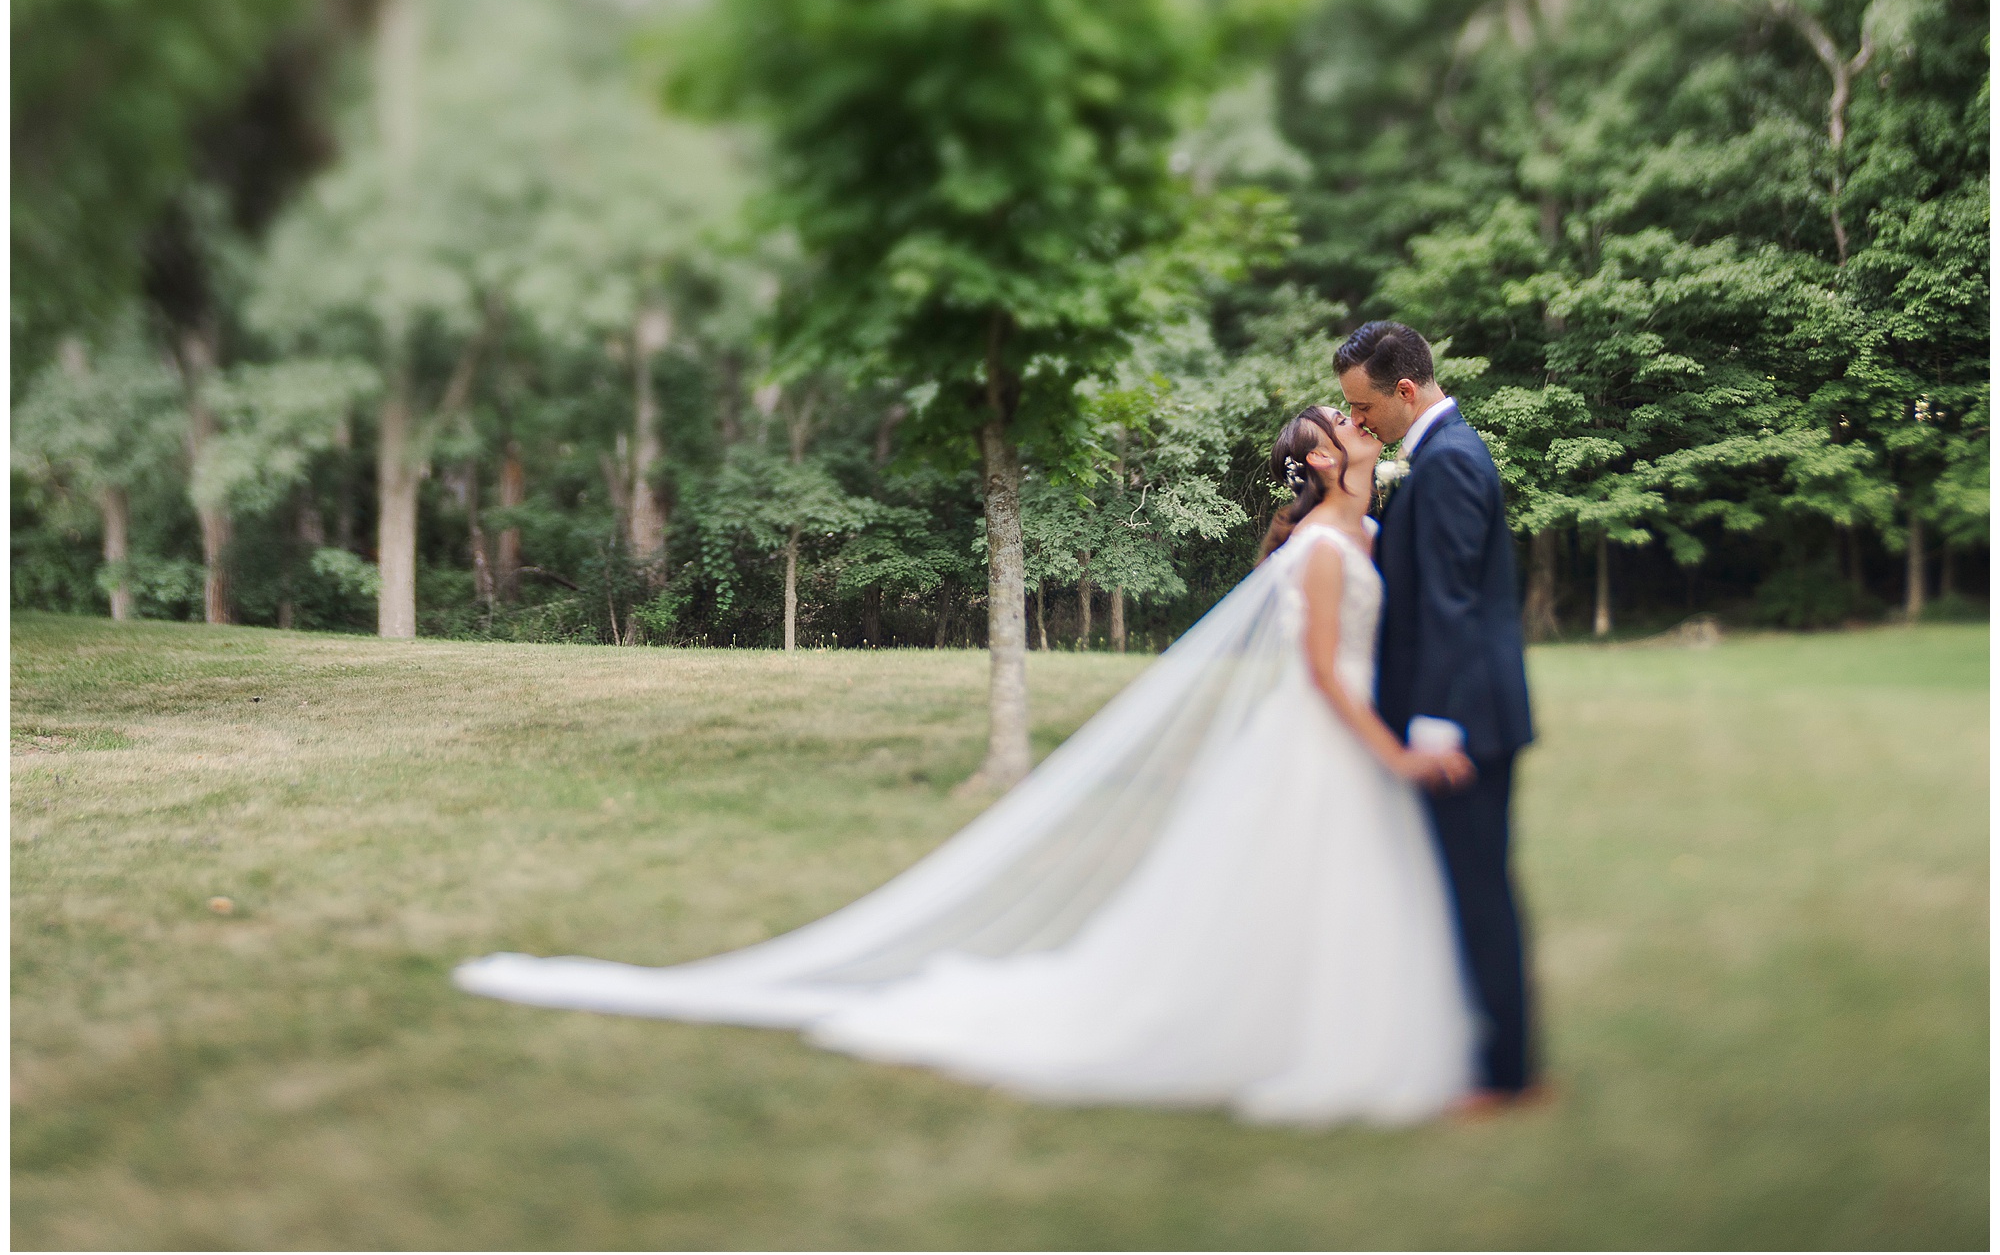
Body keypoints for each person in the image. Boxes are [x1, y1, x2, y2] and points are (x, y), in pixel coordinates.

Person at [456, 407, 1487, 1126]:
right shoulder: (1314, 551)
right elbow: (1315, 671)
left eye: (1350, 425)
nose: (1358, 433)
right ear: (1316, 466)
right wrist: (1392, 749)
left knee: (1323, 896)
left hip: (1336, 746)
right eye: (1338, 432)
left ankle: (1311, 1023)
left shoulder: (1365, 532)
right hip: (1322, 740)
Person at [1334, 321, 1541, 1114]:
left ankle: (1508, 1075)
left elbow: (1452, 603)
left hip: (1468, 721)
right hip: (1470, 710)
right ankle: (1495, 1056)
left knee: (1480, 890)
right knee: (1472, 886)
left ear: (1406, 390)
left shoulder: (1450, 460)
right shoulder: (1445, 453)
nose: (1360, 422)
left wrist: (1436, 725)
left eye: (1366, 407)